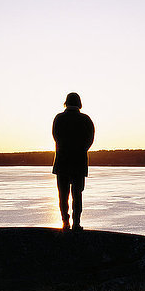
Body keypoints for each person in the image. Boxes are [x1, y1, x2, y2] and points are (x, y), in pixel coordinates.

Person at [52, 92, 95, 230]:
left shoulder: (58, 118)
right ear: (79, 103)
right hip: (79, 163)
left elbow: (56, 136)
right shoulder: (86, 119)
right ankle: (76, 223)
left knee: (63, 196)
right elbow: (90, 140)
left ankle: (65, 222)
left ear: (66, 102)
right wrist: (80, 150)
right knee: (77, 195)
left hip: (62, 163)